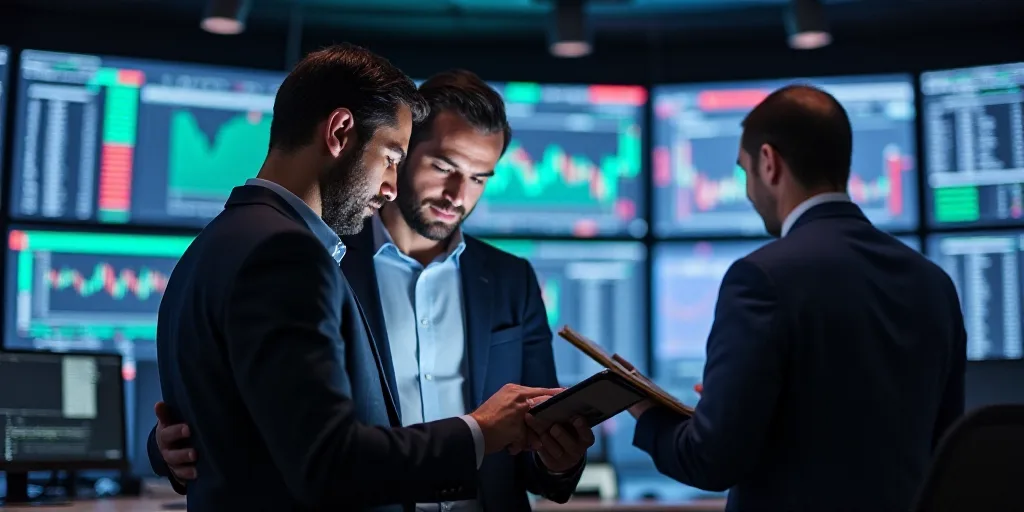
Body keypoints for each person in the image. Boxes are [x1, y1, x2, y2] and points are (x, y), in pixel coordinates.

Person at [152, 69, 593, 512]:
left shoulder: (510, 279)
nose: (458, 195)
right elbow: (320, 450)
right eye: (441, 166)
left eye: (480, 178)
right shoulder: (313, 258)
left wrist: (557, 458)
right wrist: (174, 447)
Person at [628, 85, 966, 511]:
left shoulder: (760, 278)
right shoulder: (934, 283)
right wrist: (735, 406)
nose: (748, 191)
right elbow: (947, 450)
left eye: (744, 172)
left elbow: (709, 461)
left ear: (769, 163)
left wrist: (643, 406)